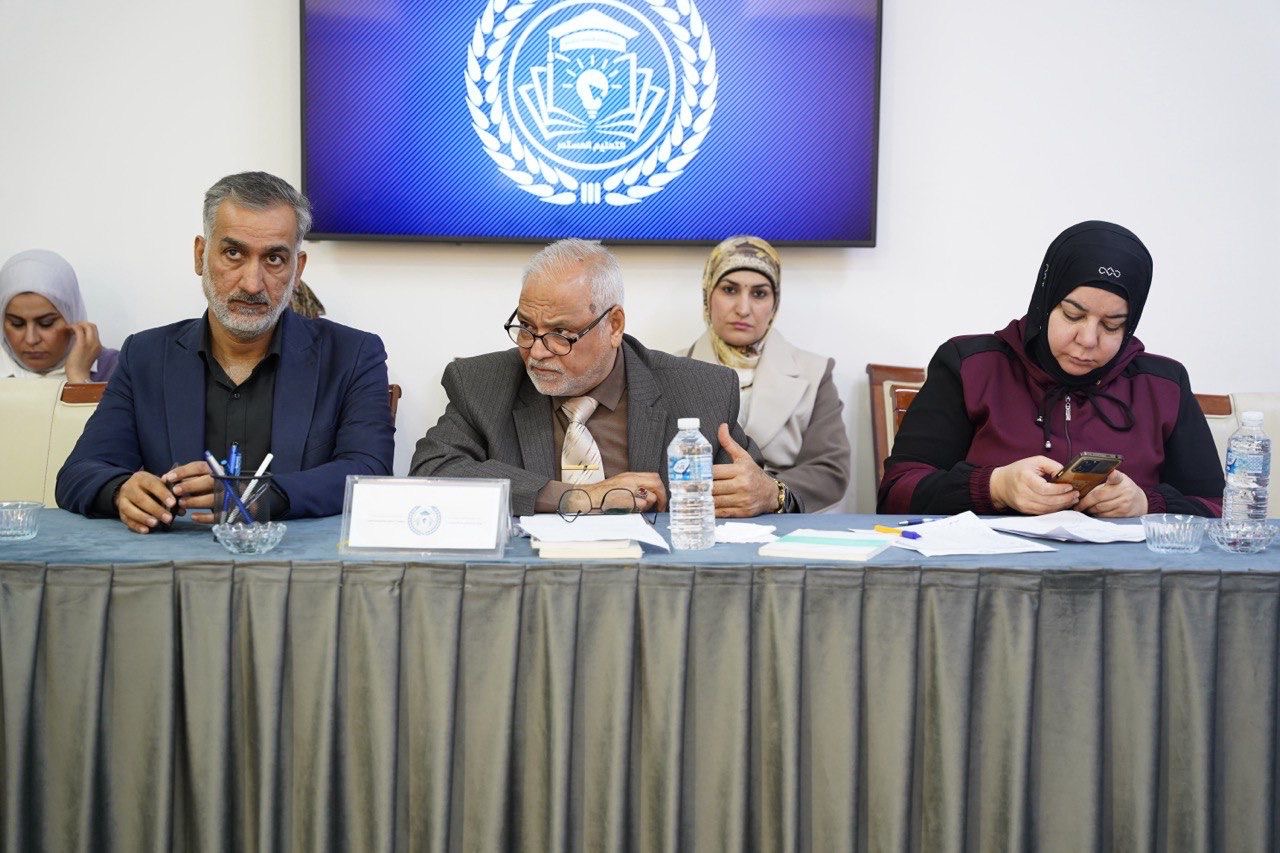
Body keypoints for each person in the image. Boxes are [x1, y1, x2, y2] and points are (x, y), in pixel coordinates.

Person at [57, 172, 394, 532]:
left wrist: (262, 496)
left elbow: (368, 472)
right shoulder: (146, 356)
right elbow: (79, 473)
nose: (252, 283)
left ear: (297, 270)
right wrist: (120, 490)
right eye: (234, 253)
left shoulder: (353, 355)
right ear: (200, 256)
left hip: (298, 561)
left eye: (274, 259)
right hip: (175, 560)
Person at [411, 238, 803, 517]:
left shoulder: (699, 391)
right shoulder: (481, 383)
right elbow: (432, 472)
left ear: (613, 325)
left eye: (561, 334)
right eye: (526, 328)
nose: (537, 351)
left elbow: (755, 494)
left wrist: (774, 495)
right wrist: (575, 497)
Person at [878, 220, 1223, 518]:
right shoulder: (971, 366)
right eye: (1073, 315)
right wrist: (995, 487)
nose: (1088, 340)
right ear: (1044, 304)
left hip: (1125, 573)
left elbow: (1222, 509)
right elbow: (895, 494)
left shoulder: (1163, 386)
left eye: (1112, 325)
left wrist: (1147, 504)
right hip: (993, 571)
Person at [685, 235, 851, 511]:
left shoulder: (814, 373)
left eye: (759, 294)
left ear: (774, 304)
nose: (743, 309)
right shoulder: (667, 368)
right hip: (693, 518)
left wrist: (772, 492)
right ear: (707, 296)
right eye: (729, 290)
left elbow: (830, 470)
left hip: (783, 523)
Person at [0, 249, 119, 382]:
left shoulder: (117, 369)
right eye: (17, 324)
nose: (31, 340)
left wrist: (78, 377)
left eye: (46, 323)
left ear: (72, 317)